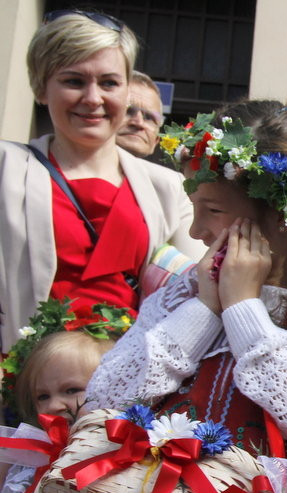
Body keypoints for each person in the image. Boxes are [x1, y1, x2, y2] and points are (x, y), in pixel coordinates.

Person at [85, 102, 287, 493]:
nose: (196, 231)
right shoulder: (181, 295)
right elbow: (105, 397)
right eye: (194, 209)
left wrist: (243, 308)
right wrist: (205, 309)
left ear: (281, 216)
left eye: (213, 211)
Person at [0, 10, 204, 354]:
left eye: (109, 83)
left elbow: (199, 293)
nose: (93, 98)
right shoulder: (6, 168)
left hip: (129, 387)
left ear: (126, 91)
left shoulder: (168, 188)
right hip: (24, 388)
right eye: (74, 81)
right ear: (41, 88)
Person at [0, 299, 133, 493]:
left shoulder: (122, 452)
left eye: (71, 390)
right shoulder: (28, 453)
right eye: (42, 396)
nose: (53, 405)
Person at [116, 70, 163, 158]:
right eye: (127, 111)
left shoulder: (167, 172)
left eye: (149, 118)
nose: (139, 123)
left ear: (156, 140)